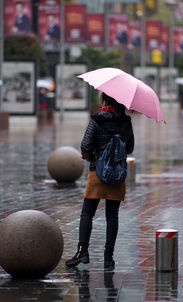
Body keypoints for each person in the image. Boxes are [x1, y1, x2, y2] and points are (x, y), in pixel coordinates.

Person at [65, 92, 134, 270]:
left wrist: (90, 157)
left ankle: (82, 252)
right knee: (112, 216)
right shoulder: (126, 122)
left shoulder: (97, 120)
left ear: (105, 100)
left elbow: (85, 145)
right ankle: (108, 258)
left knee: (87, 213)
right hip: (118, 175)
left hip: (97, 172)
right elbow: (130, 148)